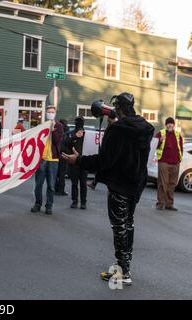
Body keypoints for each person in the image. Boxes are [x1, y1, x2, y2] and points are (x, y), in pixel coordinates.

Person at [63, 92, 154, 286]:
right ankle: (124, 267)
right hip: (135, 186)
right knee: (128, 226)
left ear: (118, 108)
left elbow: (103, 161)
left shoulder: (117, 130)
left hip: (120, 186)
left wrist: (77, 160)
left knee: (119, 228)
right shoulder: (145, 127)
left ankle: (122, 273)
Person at [31, 106, 63, 215]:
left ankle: (49, 206)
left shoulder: (59, 126)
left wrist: (53, 131)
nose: (50, 114)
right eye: (48, 112)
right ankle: (37, 204)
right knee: (38, 184)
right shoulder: (42, 126)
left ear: (55, 113)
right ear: (45, 113)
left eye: (52, 112)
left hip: (53, 160)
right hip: (42, 159)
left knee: (51, 185)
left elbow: (57, 141)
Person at [155, 117, 184, 211]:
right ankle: (160, 203)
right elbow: (153, 145)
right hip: (164, 162)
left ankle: (169, 204)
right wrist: (160, 141)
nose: (170, 125)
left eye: (171, 123)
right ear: (166, 125)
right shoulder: (160, 133)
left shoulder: (178, 134)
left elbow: (181, 147)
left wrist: (179, 159)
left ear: (174, 125)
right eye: (168, 123)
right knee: (163, 183)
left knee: (172, 184)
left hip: (175, 163)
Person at [65, 117, 88, 210]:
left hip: (84, 161)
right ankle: (75, 201)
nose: (79, 124)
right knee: (74, 183)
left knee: (83, 183)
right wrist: (75, 136)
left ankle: (83, 202)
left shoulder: (87, 134)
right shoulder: (71, 134)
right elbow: (66, 143)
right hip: (74, 162)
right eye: (78, 122)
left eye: (81, 122)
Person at [55, 119, 70, 196]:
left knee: (57, 173)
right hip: (63, 155)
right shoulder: (65, 134)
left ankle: (56, 188)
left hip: (57, 155)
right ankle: (61, 189)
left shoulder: (57, 132)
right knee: (62, 174)